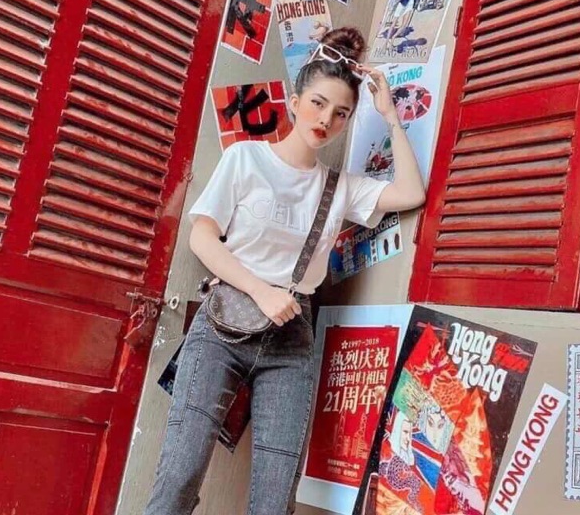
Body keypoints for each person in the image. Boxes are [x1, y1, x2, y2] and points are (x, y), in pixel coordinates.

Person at [143, 27, 425, 515]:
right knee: (179, 478)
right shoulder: (246, 158)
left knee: (274, 501)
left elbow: (411, 193)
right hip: (222, 327)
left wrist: (390, 117)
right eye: (317, 104)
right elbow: (202, 237)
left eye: (341, 113)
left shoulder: (340, 187)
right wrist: (261, 290)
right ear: (294, 103)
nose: (326, 119)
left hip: (290, 341)